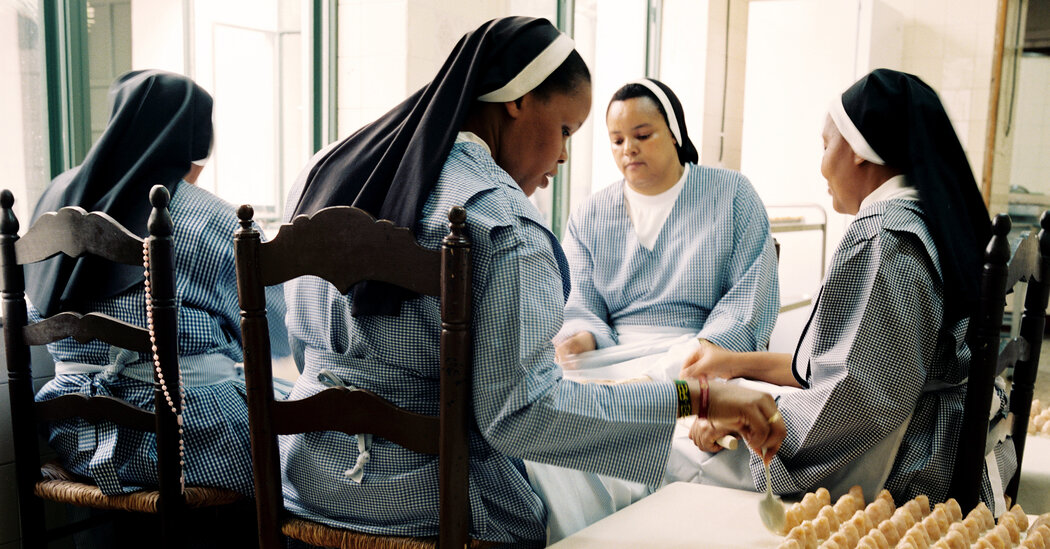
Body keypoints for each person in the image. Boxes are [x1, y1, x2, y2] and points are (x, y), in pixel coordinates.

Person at [280, 16, 785, 547]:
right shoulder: (503, 223)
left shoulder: (326, 170)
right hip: (433, 501)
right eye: (567, 130)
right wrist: (695, 399)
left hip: (307, 477)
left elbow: (298, 340)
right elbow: (520, 416)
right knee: (597, 506)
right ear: (517, 100)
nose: (565, 155)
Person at [679, 68, 1015, 514]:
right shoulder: (928, 220)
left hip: (906, 460)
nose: (821, 165)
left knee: (677, 456)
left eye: (825, 146)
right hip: (942, 434)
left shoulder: (884, 239)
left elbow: (857, 402)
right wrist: (736, 363)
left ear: (858, 151)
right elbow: (857, 362)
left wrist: (742, 419)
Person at [27, 70, 290, 499]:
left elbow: (36, 311)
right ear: (195, 145)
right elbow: (277, 332)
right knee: (300, 447)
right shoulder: (209, 219)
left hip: (74, 435)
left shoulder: (53, 199)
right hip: (187, 440)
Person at [554, 78, 779, 377]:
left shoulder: (732, 195)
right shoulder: (589, 214)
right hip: (611, 357)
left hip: (700, 356)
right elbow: (578, 301)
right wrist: (579, 339)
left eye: (643, 135)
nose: (629, 149)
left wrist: (704, 350)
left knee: (694, 399)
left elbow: (748, 300)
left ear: (674, 134)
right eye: (617, 140)